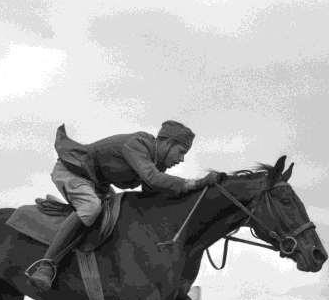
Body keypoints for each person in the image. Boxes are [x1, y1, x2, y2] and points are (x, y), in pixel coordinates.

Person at [27, 121, 219, 289]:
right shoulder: (138, 144)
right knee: (91, 208)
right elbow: (154, 179)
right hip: (72, 172)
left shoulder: (155, 162)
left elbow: (153, 194)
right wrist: (195, 183)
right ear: (167, 143)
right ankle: (45, 265)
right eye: (181, 151)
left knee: (114, 215)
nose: (181, 159)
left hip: (96, 184)